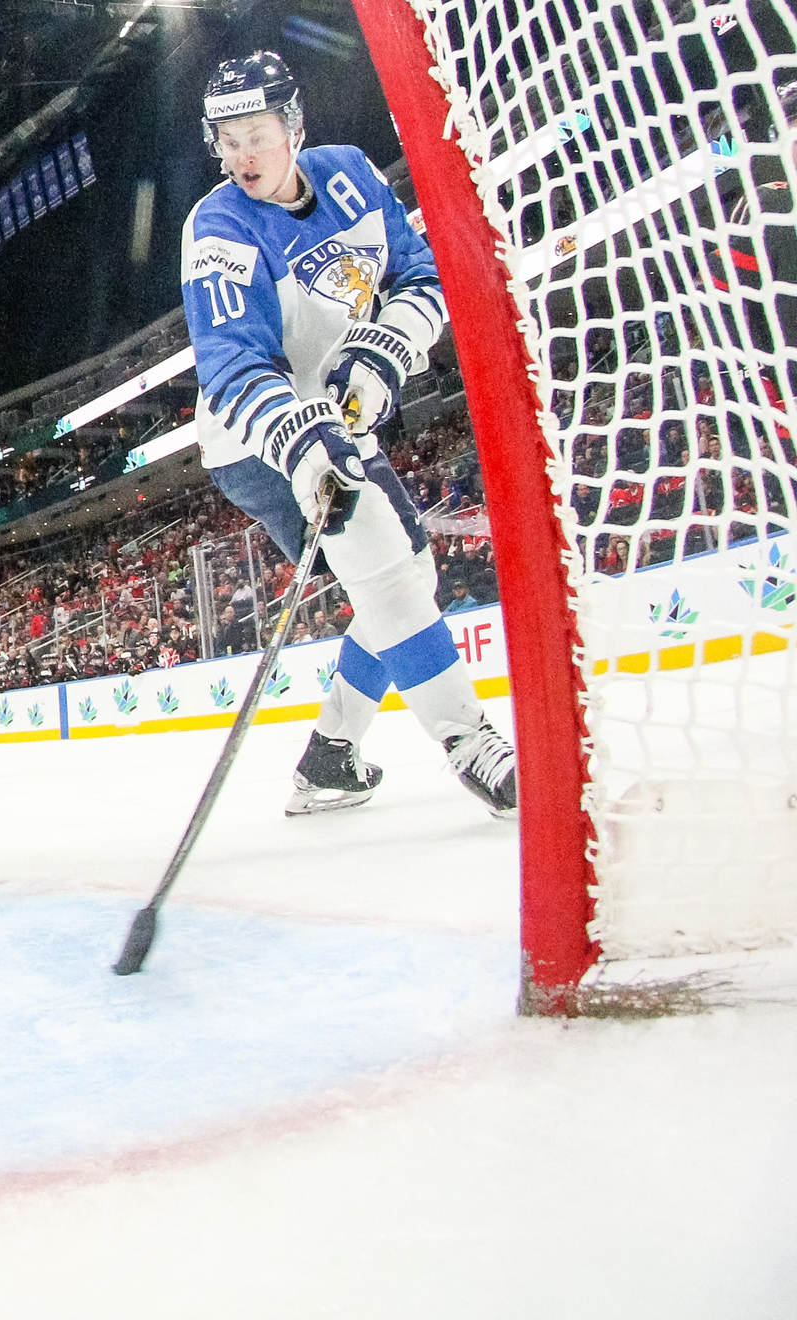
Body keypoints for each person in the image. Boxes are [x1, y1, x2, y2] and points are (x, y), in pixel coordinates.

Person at [182, 50, 517, 818]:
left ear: (293, 127)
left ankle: (332, 754)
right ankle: (471, 743)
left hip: (341, 421)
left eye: (255, 134)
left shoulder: (352, 176)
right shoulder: (218, 227)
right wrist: (302, 441)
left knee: (415, 572)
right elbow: (233, 366)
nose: (240, 156)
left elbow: (420, 276)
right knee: (381, 561)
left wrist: (379, 356)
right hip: (257, 441)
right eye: (226, 140)